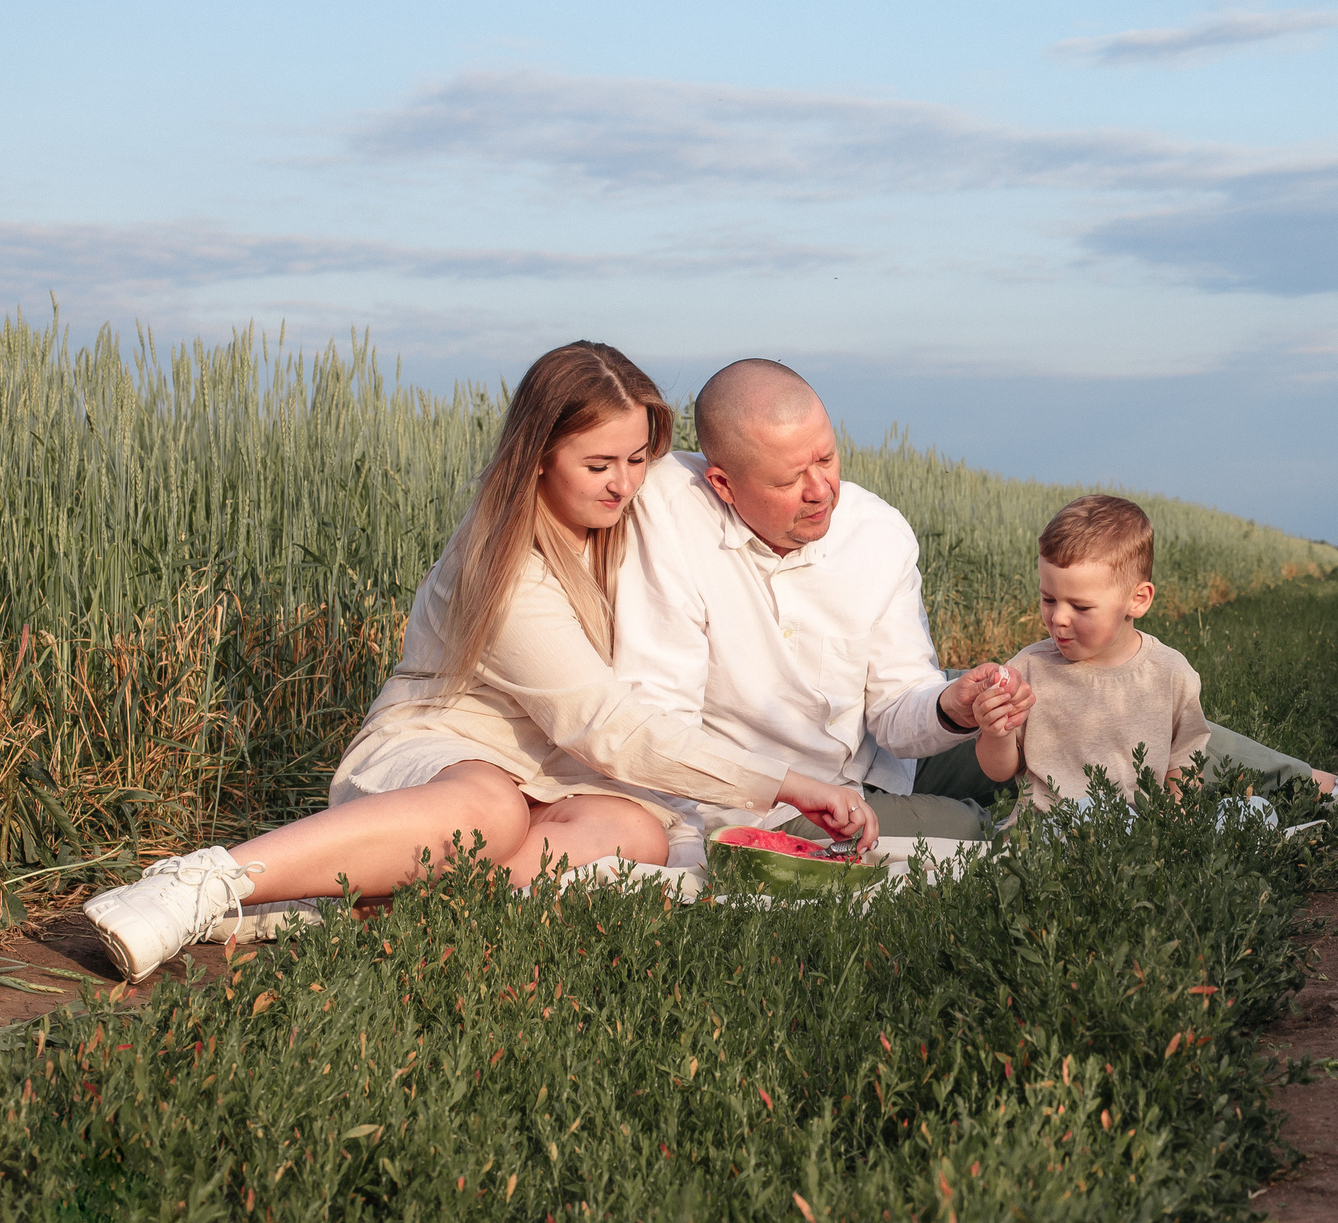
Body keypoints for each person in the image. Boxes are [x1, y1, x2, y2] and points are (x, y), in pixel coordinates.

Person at [81, 342, 875, 985]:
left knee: (634, 829)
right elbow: (602, 723)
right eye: (599, 464)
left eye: (638, 460)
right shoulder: (504, 564)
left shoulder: (631, 522)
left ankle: (347, 904)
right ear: (537, 456)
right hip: (440, 749)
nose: (625, 485)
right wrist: (789, 780)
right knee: (489, 811)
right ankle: (200, 881)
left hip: (551, 775)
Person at [614, 357, 1338, 856]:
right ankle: (1090, 831)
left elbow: (898, 708)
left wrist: (955, 702)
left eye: (828, 456)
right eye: (788, 478)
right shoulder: (664, 515)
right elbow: (659, 722)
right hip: (791, 796)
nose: (822, 489)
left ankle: (1334, 793)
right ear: (722, 483)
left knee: (1099, 694)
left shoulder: (875, 533)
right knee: (994, 830)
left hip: (891, 748)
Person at [970, 493, 1209, 815]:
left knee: (1255, 809)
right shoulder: (1028, 670)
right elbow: (998, 772)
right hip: (1050, 832)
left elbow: (1185, 766)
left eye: (1080, 606)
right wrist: (994, 731)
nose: (1058, 618)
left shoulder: (1169, 673)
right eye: (1048, 599)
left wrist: (1174, 830)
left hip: (1138, 831)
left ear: (1138, 599)